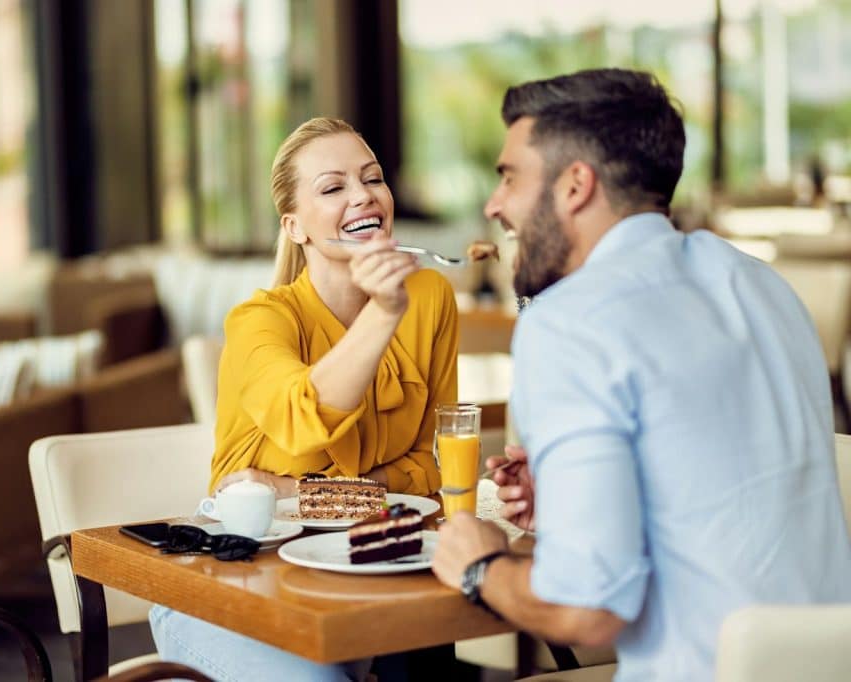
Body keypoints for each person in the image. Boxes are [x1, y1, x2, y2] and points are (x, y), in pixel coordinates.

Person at [432, 68, 851, 681]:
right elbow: (734, 497)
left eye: (509, 176)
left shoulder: (570, 322)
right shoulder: (763, 287)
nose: (496, 205)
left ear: (575, 185)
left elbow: (588, 612)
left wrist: (481, 566)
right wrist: (576, 503)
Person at [150, 117, 457, 681]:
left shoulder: (430, 296)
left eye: (373, 178)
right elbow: (304, 421)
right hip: (231, 586)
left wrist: (304, 492)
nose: (364, 195)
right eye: (333, 187)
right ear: (295, 227)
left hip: (353, 568)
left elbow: (428, 466)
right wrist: (384, 314)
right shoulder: (258, 322)